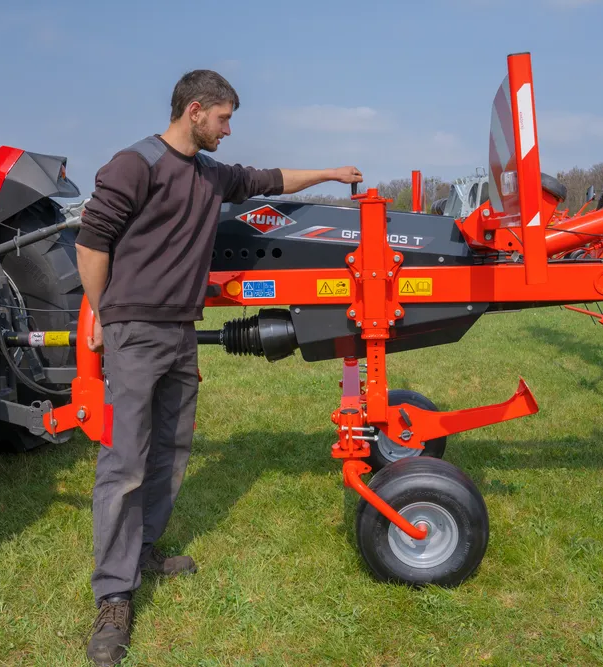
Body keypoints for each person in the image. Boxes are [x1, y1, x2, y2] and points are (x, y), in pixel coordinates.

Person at [74, 69, 363, 667]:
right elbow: (91, 240)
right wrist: (104, 313)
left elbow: (272, 180)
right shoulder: (137, 164)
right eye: (225, 119)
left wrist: (331, 173)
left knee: (171, 450)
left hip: (180, 332)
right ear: (195, 110)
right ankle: (114, 596)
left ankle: (146, 549)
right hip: (135, 329)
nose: (229, 130)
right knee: (124, 460)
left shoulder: (209, 174)